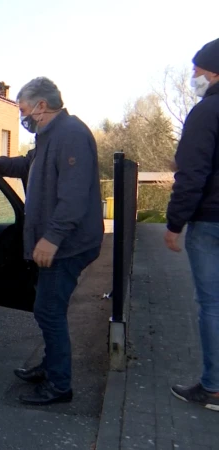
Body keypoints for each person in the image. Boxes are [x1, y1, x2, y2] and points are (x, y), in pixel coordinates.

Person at [0, 77, 104, 405]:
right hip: (59, 242)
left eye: (24, 110)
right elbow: (29, 164)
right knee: (49, 309)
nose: (23, 117)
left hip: (68, 245)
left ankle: (59, 385)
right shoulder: (49, 136)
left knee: (48, 311)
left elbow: (73, 198)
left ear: (41, 106)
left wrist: (51, 239)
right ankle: (51, 366)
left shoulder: (71, 135)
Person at [164, 37, 219, 412]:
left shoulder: (207, 111)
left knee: (211, 304)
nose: (194, 76)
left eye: (197, 69)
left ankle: (213, 387)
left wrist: (174, 224)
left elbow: (193, 173)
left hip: (211, 221)